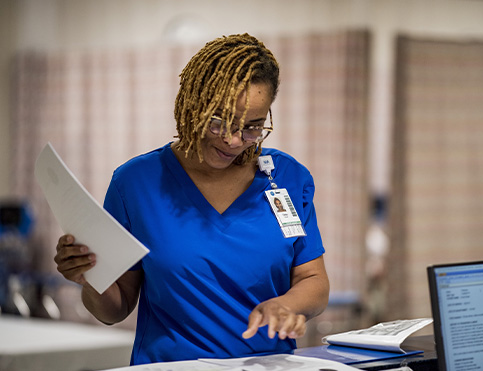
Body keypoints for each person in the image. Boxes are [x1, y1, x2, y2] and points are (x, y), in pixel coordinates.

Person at [53, 33, 329, 366]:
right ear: (191, 104)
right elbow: (116, 307)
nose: (233, 140)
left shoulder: (287, 178)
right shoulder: (135, 184)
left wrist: (287, 305)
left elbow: (313, 281)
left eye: (252, 127)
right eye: (218, 121)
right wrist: (89, 278)